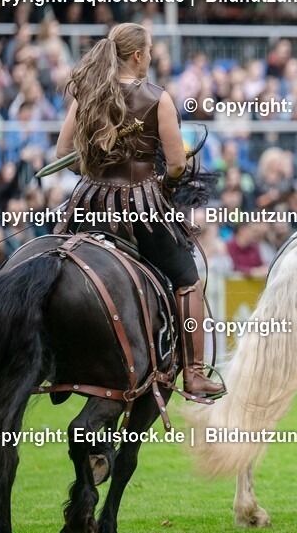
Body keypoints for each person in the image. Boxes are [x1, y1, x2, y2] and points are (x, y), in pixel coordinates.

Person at [54, 22, 223, 398]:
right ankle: (195, 373)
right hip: (141, 209)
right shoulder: (158, 98)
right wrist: (165, 186)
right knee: (187, 278)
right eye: (148, 51)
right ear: (136, 56)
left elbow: (63, 153)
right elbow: (176, 165)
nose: (150, 56)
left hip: (89, 204)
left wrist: (94, 171)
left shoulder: (89, 95)